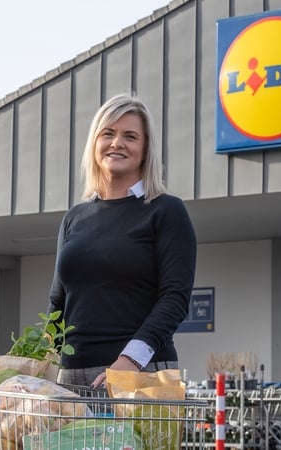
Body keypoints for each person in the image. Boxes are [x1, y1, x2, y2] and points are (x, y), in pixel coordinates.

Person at [48, 94, 197, 388]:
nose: (117, 143)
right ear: (95, 144)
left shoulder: (166, 211)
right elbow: (57, 302)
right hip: (71, 378)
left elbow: (175, 299)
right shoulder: (75, 217)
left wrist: (129, 361)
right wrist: (42, 359)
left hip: (141, 375)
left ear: (145, 150)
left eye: (130, 136)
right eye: (108, 133)